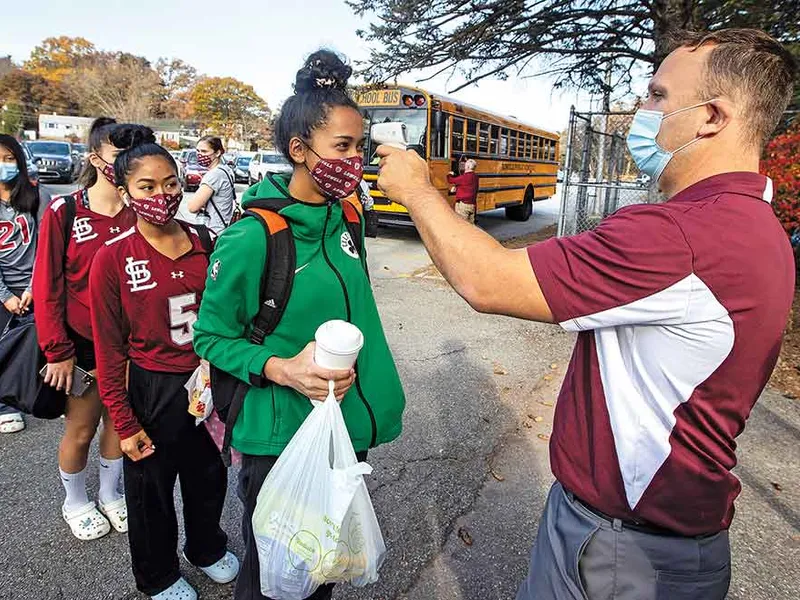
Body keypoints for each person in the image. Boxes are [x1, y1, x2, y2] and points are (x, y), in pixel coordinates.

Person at [375, 28, 797, 600]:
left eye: (656, 95)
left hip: (622, 548)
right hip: (665, 536)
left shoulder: (681, 235)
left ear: (711, 118)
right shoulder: (753, 226)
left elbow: (487, 280)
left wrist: (419, 191)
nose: (640, 112)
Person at [193, 50, 406, 600]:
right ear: (298, 151)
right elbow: (210, 337)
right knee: (274, 579)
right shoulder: (252, 237)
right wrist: (282, 367)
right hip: (279, 435)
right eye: (343, 147)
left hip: (340, 429)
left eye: (360, 145)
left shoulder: (350, 217)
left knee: (323, 564)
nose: (356, 159)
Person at [89, 125, 238, 600]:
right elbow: (109, 350)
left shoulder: (205, 242)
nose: (162, 194)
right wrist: (123, 420)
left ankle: (206, 548)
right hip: (153, 388)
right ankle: (157, 574)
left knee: (209, 474)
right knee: (151, 488)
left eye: (170, 182)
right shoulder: (112, 259)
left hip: (207, 382)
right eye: (147, 186)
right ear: (125, 191)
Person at [32, 117, 135, 540]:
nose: (130, 164)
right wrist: (57, 350)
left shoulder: (140, 212)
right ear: (96, 159)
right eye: (119, 156)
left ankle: (112, 494)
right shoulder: (65, 211)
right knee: (81, 427)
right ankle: (75, 500)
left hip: (131, 347)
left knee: (120, 422)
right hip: (83, 348)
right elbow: (47, 286)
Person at [0, 135, 42, 434]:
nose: (4, 165)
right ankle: (5, 405)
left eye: (9, 158)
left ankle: (44, 396)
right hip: (3, 292)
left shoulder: (35, 198)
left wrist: (33, 287)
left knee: (39, 344)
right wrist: (5, 296)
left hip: (35, 288)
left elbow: (46, 246)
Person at [186, 135, 237, 234]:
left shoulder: (214, 175)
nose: (200, 155)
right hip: (224, 228)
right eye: (198, 151)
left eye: (204, 151)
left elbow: (192, 207)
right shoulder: (226, 170)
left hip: (213, 232)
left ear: (217, 153)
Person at [446, 158, 478, 223]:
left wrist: (450, 174)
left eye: (465, 165)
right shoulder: (476, 177)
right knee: (471, 226)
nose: (464, 166)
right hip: (472, 205)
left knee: (462, 224)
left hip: (463, 206)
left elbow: (450, 180)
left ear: (468, 167)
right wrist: (457, 187)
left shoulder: (464, 177)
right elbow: (467, 186)